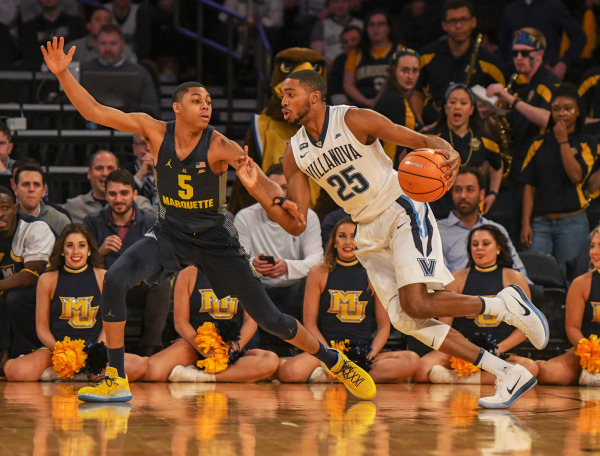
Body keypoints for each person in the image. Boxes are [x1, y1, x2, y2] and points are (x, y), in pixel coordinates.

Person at [42, 36, 375, 403]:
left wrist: (281, 203)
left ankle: (336, 361)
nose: (206, 106)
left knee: (271, 320)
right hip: (170, 233)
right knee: (117, 277)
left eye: (209, 102)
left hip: (215, 239)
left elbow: (261, 183)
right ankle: (116, 379)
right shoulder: (154, 130)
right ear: (177, 107)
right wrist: (62, 74)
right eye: (197, 100)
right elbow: (93, 111)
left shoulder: (219, 144)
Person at [237, 68, 550, 409]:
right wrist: (258, 189)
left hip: (400, 208)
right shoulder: (294, 152)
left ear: (314, 97)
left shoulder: (354, 119)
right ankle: (505, 371)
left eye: (290, 94)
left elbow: (423, 141)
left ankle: (503, 304)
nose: (282, 101)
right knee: (407, 319)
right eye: (282, 95)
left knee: (416, 303)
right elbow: (297, 223)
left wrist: (449, 153)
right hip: (366, 230)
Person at [277, 217, 420, 383]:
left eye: (353, 236)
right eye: (342, 236)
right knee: (289, 372)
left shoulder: (374, 273)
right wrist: (329, 355)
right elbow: (310, 325)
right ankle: (352, 377)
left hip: (361, 353)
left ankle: (337, 376)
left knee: (412, 361)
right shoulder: (319, 273)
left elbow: (384, 327)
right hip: (327, 350)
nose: (348, 242)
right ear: (334, 241)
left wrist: (370, 355)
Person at [3, 224, 147, 381]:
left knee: (138, 365)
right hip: (57, 351)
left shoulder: (104, 277)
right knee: (14, 371)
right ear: (63, 251)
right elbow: (42, 328)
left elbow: (110, 324)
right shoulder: (48, 279)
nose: (76, 251)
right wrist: (61, 351)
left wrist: (96, 352)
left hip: (94, 350)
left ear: (90, 250)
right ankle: (69, 370)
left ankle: (66, 374)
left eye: (81, 246)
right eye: (69, 246)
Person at [415, 225, 539, 384]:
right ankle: (476, 379)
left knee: (530, 368)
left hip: (500, 352)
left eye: (486, 244)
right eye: (475, 244)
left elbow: (527, 328)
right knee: (421, 369)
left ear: (498, 247)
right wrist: (462, 351)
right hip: (461, 352)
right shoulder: (457, 279)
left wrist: (497, 349)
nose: (479, 248)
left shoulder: (514, 278)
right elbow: (445, 327)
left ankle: (462, 380)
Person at [234, 164, 323, 355]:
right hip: (258, 288)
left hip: (296, 288)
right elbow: (236, 262)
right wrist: (253, 266)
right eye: (272, 187)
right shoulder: (245, 217)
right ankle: (249, 353)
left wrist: (288, 267)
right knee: (244, 282)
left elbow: (318, 260)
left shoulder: (309, 216)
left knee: (314, 279)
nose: (278, 193)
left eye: (283, 187)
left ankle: (307, 353)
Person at [83, 169, 170, 357]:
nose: (118, 199)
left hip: (138, 287)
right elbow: (80, 262)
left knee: (162, 283)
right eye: (113, 194)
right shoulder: (92, 222)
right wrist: (100, 251)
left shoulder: (151, 222)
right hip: (104, 287)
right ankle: (96, 352)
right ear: (105, 195)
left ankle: (149, 349)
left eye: (124, 193)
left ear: (135, 194)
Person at [143, 266, 280, 383]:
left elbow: (251, 320)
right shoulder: (188, 272)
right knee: (153, 371)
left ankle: (199, 376)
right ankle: (229, 375)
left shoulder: (246, 272)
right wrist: (202, 347)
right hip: (194, 345)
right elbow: (180, 322)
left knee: (270, 360)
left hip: (232, 348)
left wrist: (234, 348)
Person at [486, 27, 560, 241]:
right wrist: (491, 112)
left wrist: (510, 100)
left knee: (531, 232)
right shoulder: (518, 82)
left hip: (542, 171)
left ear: (539, 54)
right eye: (515, 53)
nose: (518, 58)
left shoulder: (549, 82)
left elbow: (549, 119)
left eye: (525, 53)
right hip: (519, 166)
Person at [520, 83, 596, 277]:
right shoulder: (538, 143)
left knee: (571, 278)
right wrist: (525, 223)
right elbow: (529, 187)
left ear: (578, 111)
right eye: (556, 109)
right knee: (534, 278)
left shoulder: (587, 142)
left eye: (568, 109)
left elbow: (576, 176)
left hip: (573, 222)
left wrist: (563, 141)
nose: (562, 113)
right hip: (540, 223)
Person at [416, 0, 505, 125]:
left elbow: (502, 100)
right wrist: (421, 124)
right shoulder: (427, 55)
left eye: (463, 20)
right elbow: (416, 91)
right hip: (433, 132)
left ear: (473, 22)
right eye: (453, 21)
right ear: (444, 25)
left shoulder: (489, 61)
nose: (458, 25)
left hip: (474, 134)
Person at [423, 83, 503, 219]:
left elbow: (498, 165)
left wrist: (493, 193)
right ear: (446, 108)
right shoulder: (429, 137)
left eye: (463, 103)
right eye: (452, 102)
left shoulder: (485, 140)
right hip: (435, 212)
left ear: (472, 109)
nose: (457, 106)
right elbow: (406, 157)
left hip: (470, 213)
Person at [437, 167, 528, 278]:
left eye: (469, 190)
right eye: (457, 190)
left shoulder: (496, 229)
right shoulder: (437, 231)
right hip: (455, 292)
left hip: (496, 292)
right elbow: (438, 278)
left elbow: (519, 272)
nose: (463, 196)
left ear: (482, 194)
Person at [537, 226, 600, 386]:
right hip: (587, 351)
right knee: (549, 373)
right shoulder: (581, 283)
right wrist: (590, 352)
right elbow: (572, 327)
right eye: (592, 246)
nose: (595, 252)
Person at [0, 186, 55, 365]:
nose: (0, 214)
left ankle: (27, 353)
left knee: (14, 298)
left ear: (15, 209)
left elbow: (32, 274)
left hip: (49, 291)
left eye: (5, 207)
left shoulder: (35, 228)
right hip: (9, 291)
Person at [80, 24, 159, 117]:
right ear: (96, 44)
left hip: (130, 127)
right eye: (103, 43)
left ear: (122, 44)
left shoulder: (140, 72)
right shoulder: (83, 70)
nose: (108, 48)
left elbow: (152, 108)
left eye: (113, 43)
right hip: (90, 127)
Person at [498, 0, 587, 80]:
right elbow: (503, 45)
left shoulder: (553, 7)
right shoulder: (511, 9)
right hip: (513, 75)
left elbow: (579, 37)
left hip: (544, 74)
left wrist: (563, 64)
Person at [62, 149, 152, 223]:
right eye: (99, 168)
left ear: (119, 172)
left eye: (110, 168)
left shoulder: (140, 203)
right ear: (89, 173)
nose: (105, 173)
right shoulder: (73, 207)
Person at [374, 48, 423, 166]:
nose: (410, 76)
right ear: (393, 70)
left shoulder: (402, 97)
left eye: (415, 70)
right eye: (405, 70)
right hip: (390, 172)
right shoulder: (392, 100)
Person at [343, 9, 399, 108]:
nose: (375, 29)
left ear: (389, 28)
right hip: (363, 107)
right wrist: (366, 102)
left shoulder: (400, 51)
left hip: (393, 105)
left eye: (380, 24)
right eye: (371, 25)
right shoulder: (356, 53)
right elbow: (348, 85)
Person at [17, 0, 85, 70]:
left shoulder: (75, 23)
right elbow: (29, 57)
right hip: (41, 75)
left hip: (72, 73)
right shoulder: (29, 28)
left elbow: (82, 51)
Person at [14, 161, 71, 235]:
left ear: (44, 191)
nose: (31, 189)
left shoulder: (60, 221)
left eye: (36, 184)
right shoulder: (6, 219)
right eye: (26, 184)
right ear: (15, 189)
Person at [65, 7, 137, 64]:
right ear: (88, 25)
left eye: (107, 21)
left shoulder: (124, 50)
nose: (103, 24)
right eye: (98, 20)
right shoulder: (72, 49)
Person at [309, 0, 362, 72]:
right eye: (336, 2)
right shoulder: (321, 25)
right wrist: (338, 64)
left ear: (350, 3)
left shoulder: (361, 24)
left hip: (359, 67)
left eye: (344, 2)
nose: (340, 5)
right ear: (330, 5)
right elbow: (317, 55)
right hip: (331, 70)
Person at [121, 133, 157, 207]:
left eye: (152, 143)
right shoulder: (123, 171)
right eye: (143, 143)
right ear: (134, 148)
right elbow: (122, 196)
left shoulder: (169, 169)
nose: (147, 148)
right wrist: (141, 173)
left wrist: (157, 173)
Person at [329, 24, 361, 106]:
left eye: (354, 40)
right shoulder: (339, 61)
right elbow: (335, 90)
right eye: (345, 42)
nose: (350, 44)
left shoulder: (371, 57)